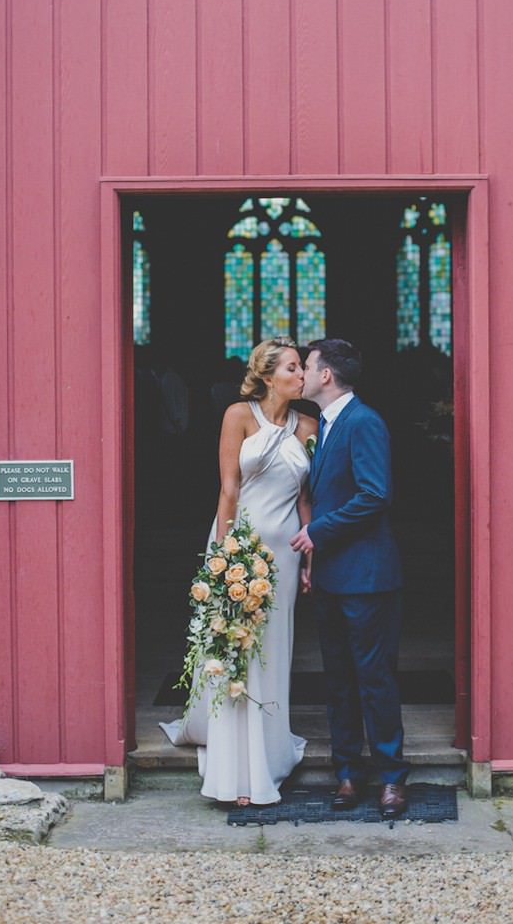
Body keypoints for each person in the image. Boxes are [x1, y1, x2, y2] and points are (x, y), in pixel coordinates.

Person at [162, 337, 318, 805]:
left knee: (273, 652)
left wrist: (312, 556)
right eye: (293, 368)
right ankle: (234, 768)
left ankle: (267, 757)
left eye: (302, 368)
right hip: (239, 545)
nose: (302, 375)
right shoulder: (238, 415)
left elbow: (306, 498)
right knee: (234, 650)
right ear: (269, 375)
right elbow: (228, 488)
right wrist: (225, 552)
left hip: (285, 554)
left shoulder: (308, 423)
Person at [290, 338, 410, 819]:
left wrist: (316, 530)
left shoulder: (364, 421)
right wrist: (313, 564)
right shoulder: (324, 424)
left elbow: (374, 494)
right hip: (332, 578)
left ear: (326, 376)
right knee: (338, 679)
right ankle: (346, 772)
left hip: (368, 576)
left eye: (308, 365)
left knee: (374, 679)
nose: (302, 374)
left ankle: (391, 779)